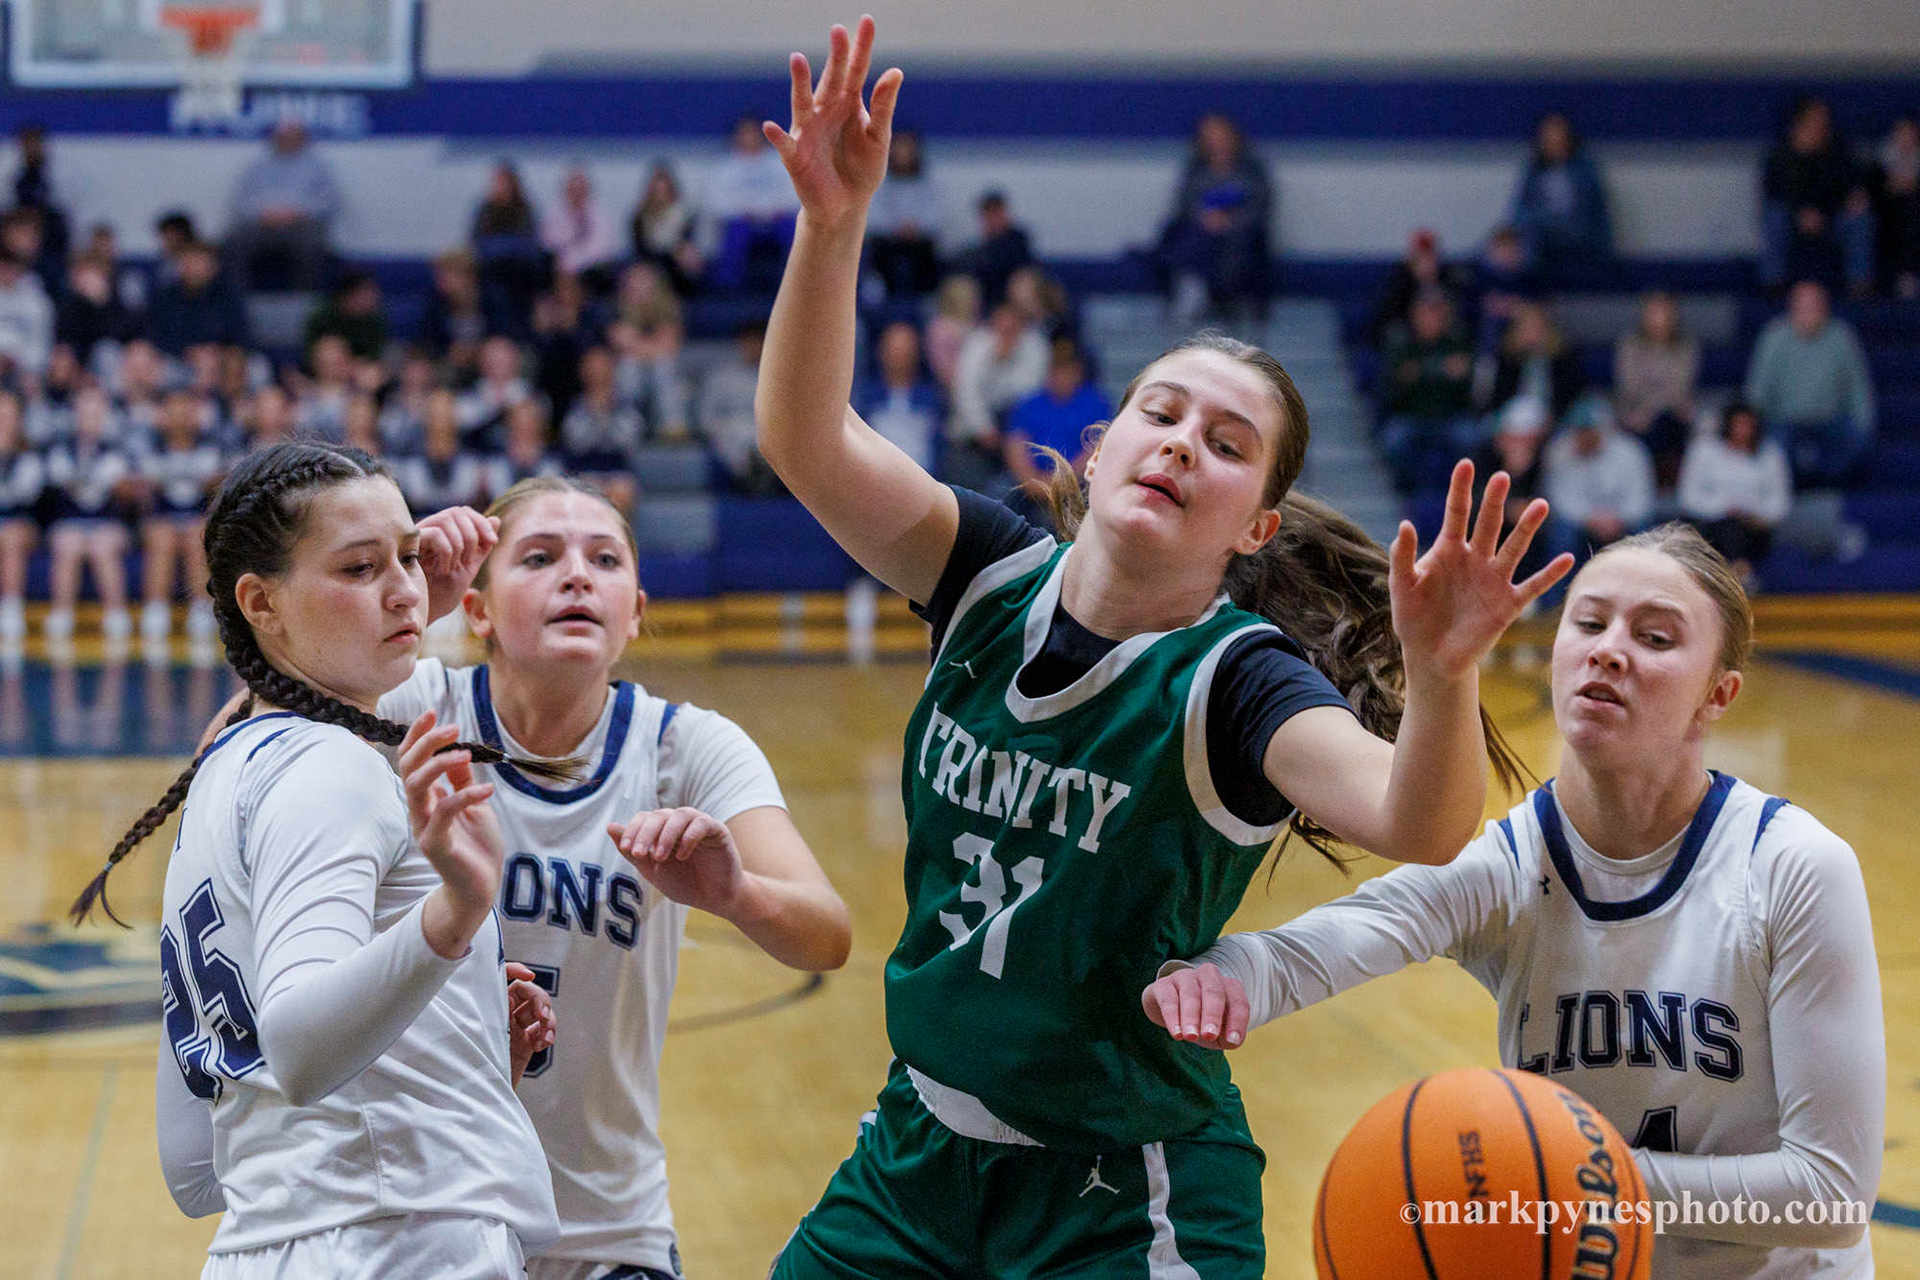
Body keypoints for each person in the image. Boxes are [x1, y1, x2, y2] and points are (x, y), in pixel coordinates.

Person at [755, 21, 1569, 1276]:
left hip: (1123, 1190)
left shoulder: (1238, 684)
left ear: (1256, 527)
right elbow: (808, 439)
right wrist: (831, 225)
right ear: (1097, 448)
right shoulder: (981, 569)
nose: (1185, 439)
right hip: (917, 1146)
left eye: (1229, 443)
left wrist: (1447, 671)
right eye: (1162, 409)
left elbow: (1421, 822)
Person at [1146, 524, 1884, 1279]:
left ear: (1716, 695)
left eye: (1656, 637)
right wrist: (1222, 976)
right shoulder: (1509, 865)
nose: (1607, 649)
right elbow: (1338, 938)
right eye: (1588, 623)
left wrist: (1570, 1184)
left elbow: (1828, 1197)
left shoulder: (1791, 866)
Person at [71, 442, 561, 1276]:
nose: (408, 589)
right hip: (400, 1247)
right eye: (361, 568)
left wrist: (454, 1053)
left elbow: (195, 1164)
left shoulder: (228, 772)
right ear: (260, 602)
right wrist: (454, 916)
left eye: (411, 556)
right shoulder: (329, 770)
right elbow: (298, 1047)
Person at [378, 476, 851, 1280]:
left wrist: (737, 894)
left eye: (605, 559)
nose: (577, 575)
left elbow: (826, 934)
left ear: (633, 611)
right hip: (421, 1216)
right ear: (478, 609)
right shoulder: (416, 708)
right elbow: (242, 745)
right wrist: (403, 611)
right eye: (538, 556)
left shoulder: (687, 750)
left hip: (604, 1231)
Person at [1742, 279, 1876, 486]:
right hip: (1785, 421)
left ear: (1825, 308)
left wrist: (1865, 424)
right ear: (1791, 307)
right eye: (1802, 306)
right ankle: (1796, 488)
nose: (1808, 312)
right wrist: (1752, 426)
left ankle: (1826, 485)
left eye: (1814, 306)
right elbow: (1758, 389)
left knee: (1858, 439)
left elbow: (1858, 387)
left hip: (1831, 420)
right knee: (1775, 445)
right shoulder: (1774, 336)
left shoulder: (1842, 336)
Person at [1157, 113, 1274, 322]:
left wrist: (1231, 221)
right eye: (1210, 134)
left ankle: (1227, 299)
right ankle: (1193, 290)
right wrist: (1206, 218)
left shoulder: (1251, 169)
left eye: (1221, 134)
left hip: (1241, 230)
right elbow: (1185, 203)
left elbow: (1261, 204)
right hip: (1202, 228)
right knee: (1193, 237)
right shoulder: (1196, 168)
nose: (1216, 139)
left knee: (1237, 242)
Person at [43, 385, 134, 647]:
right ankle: (61, 614)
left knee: (103, 545)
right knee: (67, 543)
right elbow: (56, 486)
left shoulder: (119, 448)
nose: (90, 418)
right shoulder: (60, 447)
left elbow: (127, 492)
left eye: (97, 412)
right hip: (70, 523)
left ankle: (116, 614)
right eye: (85, 412)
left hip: (108, 523)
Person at [135, 387, 224, 648]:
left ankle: (201, 607)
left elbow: (221, 484)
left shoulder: (212, 446)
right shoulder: (149, 446)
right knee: (162, 536)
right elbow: (140, 490)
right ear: (162, 415)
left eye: (186, 409)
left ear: (196, 414)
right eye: (173, 409)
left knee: (199, 533)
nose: (180, 416)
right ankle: (156, 608)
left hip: (198, 518)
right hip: (160, 518)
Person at [1761, 98, 1875, 297]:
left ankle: (1859, 284)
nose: (1821, 124)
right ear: (1800, 122)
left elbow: (1851, 187)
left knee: (1860, 220)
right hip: (1794, 220)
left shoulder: (1838, 150)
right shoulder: (1779, 155)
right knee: (1774, 218)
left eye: (1823, 119)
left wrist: (1836, 208)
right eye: (1815, 119)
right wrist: (1800, 214)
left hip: (1831, 218)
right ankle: (1774, 284)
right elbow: (1775, 194)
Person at [1677, 401, 1791, 582]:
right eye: (1738, 424)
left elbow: (1779, 503)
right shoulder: (1703, 450)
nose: (1743, 430)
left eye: (1748, 425)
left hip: (1754, 528)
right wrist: (1725, 509)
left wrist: (1754, 514)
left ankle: (1736, 578)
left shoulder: (1770, 454)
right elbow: (1688, 498)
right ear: (1727, 424)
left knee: (1737, 529)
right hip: (1709, 525)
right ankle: (1739, 577)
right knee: (1726, 528)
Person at [225, 120, 340, 293]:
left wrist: (298, 213)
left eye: (293, 138)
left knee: (313, 246)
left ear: (303, 140)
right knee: (234, 242)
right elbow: (240, 201)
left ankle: (305, 302)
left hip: (301, 225)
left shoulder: (317, 166)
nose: (288, 141)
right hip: (261, 225)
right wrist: (264, 214)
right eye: (283, 137)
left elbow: (328, 201)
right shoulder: (257, 166)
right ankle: (238, 300)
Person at [1508, 111, 1612, 281]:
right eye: (1549, 140)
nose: (1555, 145)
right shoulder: (1533, 170)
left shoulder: (1585, 169)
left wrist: (1606, 250)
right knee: (1525, 236)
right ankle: (1529, 289)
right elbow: (1520, 208)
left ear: (1569, 140)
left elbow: (1599, 211)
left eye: (1559, 140)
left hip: (1577, 234)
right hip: (1542, 237)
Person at [1612, 290, 1699, 490]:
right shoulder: (1630, 344)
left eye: (1664, 312)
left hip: (1673, 414)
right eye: (1654, 312)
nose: (1659, 318)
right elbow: (1630, 386)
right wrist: (1647, 411)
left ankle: (1673, 488)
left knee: (1669, 423)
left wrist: (1652, 409)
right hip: (1634, 413)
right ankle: (1645, 487)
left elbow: (1681, 387)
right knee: (1645, 426)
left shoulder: (1686, 345)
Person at [866, 128, 943, 299]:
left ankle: (924, 299)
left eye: (907, 150)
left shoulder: (928, 184)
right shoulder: (880, 181)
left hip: (919, 244)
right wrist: (896, 227)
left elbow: (936, 218)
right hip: (888, 244)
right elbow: (873, 217)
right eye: (899, 149)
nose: (903, 155)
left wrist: (916, 227)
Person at [0, 390, 43, 646]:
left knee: (12, 535)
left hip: (20, 522)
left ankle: (11, 608)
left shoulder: (28, 456)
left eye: (8, 416)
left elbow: (25, 495)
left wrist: (6, 458)